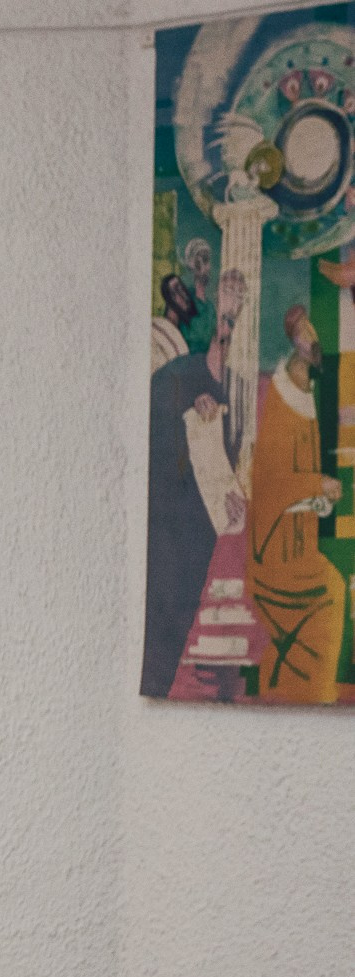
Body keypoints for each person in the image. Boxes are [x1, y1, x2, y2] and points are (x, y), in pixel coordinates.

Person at [142, 270, 246, 697]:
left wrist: (232, 498)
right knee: (162, 606)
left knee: (179, 603)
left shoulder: (209, 382)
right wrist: (187, 404)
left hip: (192, 518)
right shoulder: (170, 372)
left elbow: (218, 460)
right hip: (164, 511)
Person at [247, 305, 347, 701]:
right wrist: (316, 484)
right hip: (275, 556)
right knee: (333, 592)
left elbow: (302, 487)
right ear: (294, 346)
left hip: (300, 545)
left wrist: (320, 496)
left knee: (333, 589)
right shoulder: (280, 400)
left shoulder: (305, 395)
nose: (315, 343)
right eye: (307, 336)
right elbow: (270, 486)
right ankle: (309, 689)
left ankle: (297, 682)